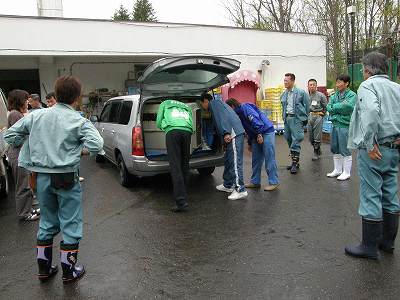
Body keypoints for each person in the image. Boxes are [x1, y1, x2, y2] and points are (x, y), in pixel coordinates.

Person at [5, 76, 104, 283]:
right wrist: (78, 152)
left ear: (56, 95)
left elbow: (10, 137)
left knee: (47, 222)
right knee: (71, 223)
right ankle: (69, 271)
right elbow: (96, 144)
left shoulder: (36, 116)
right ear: (77, 98)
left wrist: (32, 143)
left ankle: (44, 269)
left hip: (41, 177)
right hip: (67, 177)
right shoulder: (79, 120)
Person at [345, 52, 400, 260]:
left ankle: (369, 246)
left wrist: (369, 143)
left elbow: (370, 112)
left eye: (362, 69)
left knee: (370, 194)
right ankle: (387, 243)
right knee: (390, 192)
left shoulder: (368, 86)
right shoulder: (397, 87)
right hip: (393, 148)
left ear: (367, 70)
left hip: (374, 148)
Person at [199, 94, 247, 200]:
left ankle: (241, 189)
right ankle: (228, 184)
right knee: (229, 160)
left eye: (202, 104)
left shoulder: (214, 104)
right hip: (233, 132)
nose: (203, 107)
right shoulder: (218, 103)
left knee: (235, 162)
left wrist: (226, 132)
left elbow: (222, 117)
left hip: (233, 133)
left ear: (205, 101)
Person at [226, 98, 279, 191]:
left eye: (228, 109)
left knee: (269, 157)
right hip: (256, 135)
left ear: (232, 106)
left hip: (266, 131)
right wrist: (250, 142)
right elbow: (248, 129)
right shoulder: (238, 114)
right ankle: (255, 182)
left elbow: (254, 119)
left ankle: (274, 182)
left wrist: (259, 134)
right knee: (256, 159)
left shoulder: (244, 107)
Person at [6, 89, 39, 221]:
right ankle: (24, 214)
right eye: (26, 100)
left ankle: (29, 209)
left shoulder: (18, 114)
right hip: (18, 155)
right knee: (22, 186)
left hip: (22, 154)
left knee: (26, 184)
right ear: (20, 100)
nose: (28, 102)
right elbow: (18, 136)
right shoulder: (15, 115)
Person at [156, 99, 194, 212]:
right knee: (184, 164)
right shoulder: (186, 105)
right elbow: (191, 120)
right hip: (187, 131)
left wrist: (165, 128)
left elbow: (158, 121)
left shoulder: (164, 103)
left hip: (173, 131)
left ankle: (181, 202)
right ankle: (184, 195)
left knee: (175, 166)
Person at [326, 75, 356, 181]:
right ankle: (337, 170)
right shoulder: (334, 95)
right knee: (335, 147)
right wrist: (337, 107)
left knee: (344, 148)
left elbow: (347, 107)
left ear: (346, 83)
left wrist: (335, 108)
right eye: (337, 82)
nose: (337, 85)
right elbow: (328, 107)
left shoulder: (352, 95)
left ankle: (346, 172)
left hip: (344, 125)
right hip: (335, 124)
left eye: (339, 82)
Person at [280, 73, 310, 174]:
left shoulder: (301, 92)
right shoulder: (284, 93)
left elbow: (307, 105)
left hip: (297, 119)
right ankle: (295, 162)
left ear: (292, 81)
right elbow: (283, 107)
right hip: (287, 119)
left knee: (296, 139)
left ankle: (294, 163)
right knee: (288, 138)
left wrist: (304, 118)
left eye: (286, 81)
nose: (285, 83)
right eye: (284, 81)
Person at [307, 79, 327, 161]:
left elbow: (326, 106)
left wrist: (323, 114)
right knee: (311, 137)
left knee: (317, 136)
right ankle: (317, 148)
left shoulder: (321, 95)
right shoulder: (306, 96)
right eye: (310, 85)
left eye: (313, 84)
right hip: (310, 116)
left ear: (316, 86)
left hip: (318, 116)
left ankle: (316, 152)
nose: (312, 86)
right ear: (308, 86)